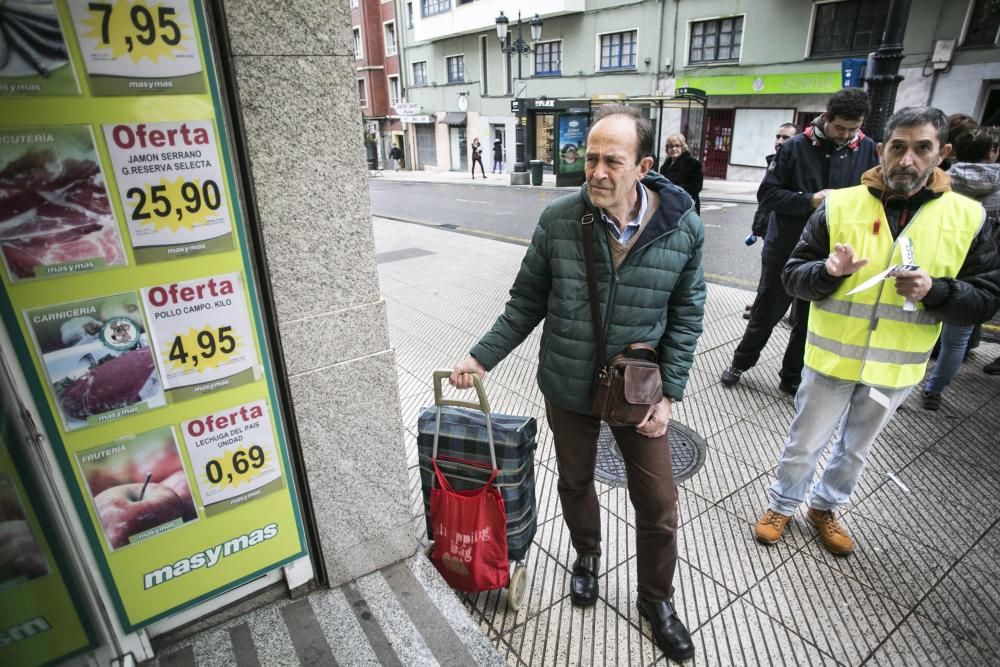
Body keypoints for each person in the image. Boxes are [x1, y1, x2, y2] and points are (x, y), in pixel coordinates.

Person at [449, 104, 705, 662]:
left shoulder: (683, 226)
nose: (596, 172)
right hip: (568, 380)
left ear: (643, 165)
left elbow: (687, 313)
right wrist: (481, 358)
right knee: (574, 480)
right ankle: (586, 555)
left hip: (637, 388)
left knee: (659, 503)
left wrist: (669, 392)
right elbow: (525, 302)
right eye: (590, 158)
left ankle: (656, 600)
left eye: (612, 160)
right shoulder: (560, 219)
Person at [754, 107, 1000, 556]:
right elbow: (793, 276)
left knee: (856, 449)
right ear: (880, 148)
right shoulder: (841, 203)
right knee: (804, 442)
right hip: (832, 357)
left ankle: (826, 507)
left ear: (941, 153)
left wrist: (936, 290)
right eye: (898, 147)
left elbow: (986, 297)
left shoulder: (969, 217)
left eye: (921, 148)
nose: (907, 160)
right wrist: (827, 272)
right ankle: (783, 504)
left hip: (895, 367)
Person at [721, 88, 877, 395]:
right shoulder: (795, 147)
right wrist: (810, 201)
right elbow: (767, 195)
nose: (846, 135)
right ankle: (741, 362)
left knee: (809, 319)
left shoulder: (866, 148)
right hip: (787, 247)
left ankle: (791, 376)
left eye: (853, 129)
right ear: (826, 119)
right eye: (840, 128)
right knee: (768, 310)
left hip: (832, 250)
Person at [922, 128, 1000, 403]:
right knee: (957, 340)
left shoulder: (940, 181)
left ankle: (897, 389)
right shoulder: (997, 187)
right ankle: (933, 391)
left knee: (912, 328)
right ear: (991, 152)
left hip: (934, 262)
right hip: (976, 268)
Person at [744, 122, 802, 319]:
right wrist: (757, 228)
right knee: (766, 276)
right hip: (769, 229)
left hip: (785, 232)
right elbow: (766, 201)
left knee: (786, 273)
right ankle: (761, 305)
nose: (780, 141)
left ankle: (785, 312)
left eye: (785, 137)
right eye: (778, 136)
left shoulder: (794, 164)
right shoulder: (774, 162)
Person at [658, 133, 703, 214]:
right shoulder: (665, 166)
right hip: (668, 206)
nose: (674, 148)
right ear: (667, 149)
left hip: (685, 207)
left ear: (683, 147)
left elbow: (696, 187)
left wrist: (673, 189)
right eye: (671, 146)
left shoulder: (692, 164)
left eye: (677, 145)